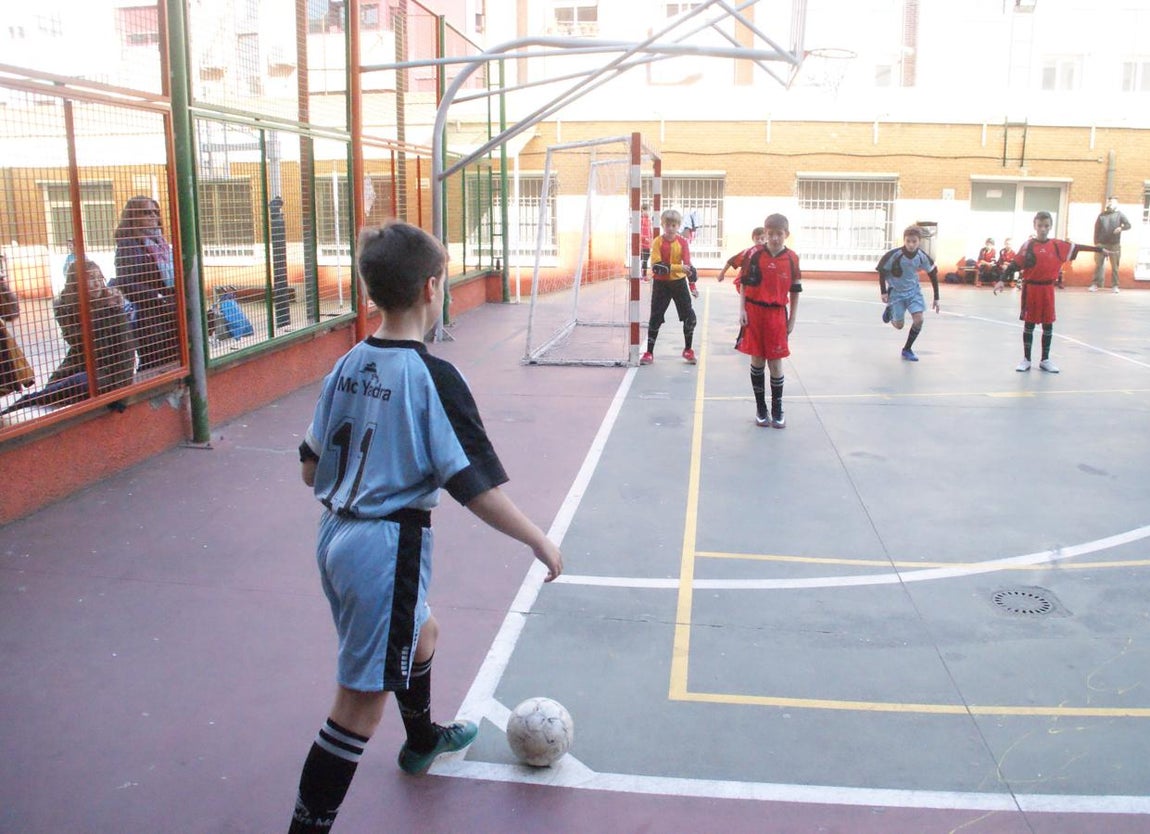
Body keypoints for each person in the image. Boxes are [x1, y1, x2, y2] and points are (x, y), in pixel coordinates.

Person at [288, 220, 563, 834]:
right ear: (432, 288)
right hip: (387, 545)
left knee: (424, 633)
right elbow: (474, 488)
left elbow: (310, 469)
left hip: (335, 537)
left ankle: (423, 742)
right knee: (356, 707)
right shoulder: (434, 377)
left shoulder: (347, 364)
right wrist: (537, 538)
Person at [2, 259, 135, 414]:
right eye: (91, 278)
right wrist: (98, 312)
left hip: (108, 370)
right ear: (77, 282)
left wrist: (120, 394)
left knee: (79, 383)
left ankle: (24, 402)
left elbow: (126, 351)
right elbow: (77, 340)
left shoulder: (112, 305)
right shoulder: (65, 306)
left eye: (99, 278)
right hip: (79, 363)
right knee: (53, 388)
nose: (97, 283)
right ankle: (19, 408)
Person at [994, 211, 1108, 373]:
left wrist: (1099, 249)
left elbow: (1078, 247)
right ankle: (1026, 359)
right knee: (1029, 324)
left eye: (1046, 226)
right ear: (1035, 226)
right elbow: (1014, 264)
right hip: (1031, 289)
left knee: (1048, 324)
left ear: (1050, 227)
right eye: (1040, 226)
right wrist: (1001, 280)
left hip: (1047, 289)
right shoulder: (1028, 246)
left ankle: (1045, 360)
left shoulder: (1057, 245)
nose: (1043, 229)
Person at [735, 214, 801, 428]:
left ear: (786, 235)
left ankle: (777, 407)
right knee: (757, 361)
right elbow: (743, 283)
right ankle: (761, 407)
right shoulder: (754, 255)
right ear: (765, 233)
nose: (774, 238)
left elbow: (795, 291)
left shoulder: (792, 258)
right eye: (770, 234)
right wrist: (742, 310)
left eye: (778, 234)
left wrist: (792, 318)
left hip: (776, 315)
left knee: (775, 362)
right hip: (754, 313)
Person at [113, 196, 180, 371]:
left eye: (155, 212)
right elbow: (126, 281)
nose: (153, 217)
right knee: (155, 362)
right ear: (134, 216)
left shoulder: (161, 243)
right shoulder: (128, 245)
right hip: (148, 316)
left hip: (170, 310)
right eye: (146, 212)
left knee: (176, 359)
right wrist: (157, 297)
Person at [641, 208, 699, 366]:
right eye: (668, 224)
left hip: (679, 284)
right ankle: (649, 352)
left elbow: (688, 265)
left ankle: (688, 350)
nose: (671, 228)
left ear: (678, 225)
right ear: (663, 225)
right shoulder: (658, 242)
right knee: (655, 318)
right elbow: (658, 267)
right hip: (661, 284)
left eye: (674, 225)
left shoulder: (683, 242)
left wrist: (692, 285)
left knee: (690, 317)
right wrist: (679, 268)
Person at [875, 225, 940, 362]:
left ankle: (907, 349)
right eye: (908, 241)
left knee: (919, 319)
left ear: (919, 241)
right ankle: (891, 310)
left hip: (913, 292)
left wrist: (937, 297)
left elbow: (933, 274)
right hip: (896, 293)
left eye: (914, 241)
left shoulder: (922, 256)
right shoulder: (894, 255)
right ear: (904, 240)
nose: (911, 244)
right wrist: (883, 292)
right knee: (899, 326)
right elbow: (882, 270)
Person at [1091, 196, 1131, 292]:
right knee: (1098, 265)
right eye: (1109, 202)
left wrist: (1121, 228)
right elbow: (1096, 230)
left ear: (1116, 204)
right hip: (1101, 244)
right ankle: (1095, 284)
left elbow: (1128, 225)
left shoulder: (1120, 215)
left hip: (1114, 244)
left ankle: (1115, 286)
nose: (1110, 204)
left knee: (1115, 267)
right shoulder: (1101, 215)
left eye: (1112, 202)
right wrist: (1096, 243)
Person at [639, 202, 654, 279]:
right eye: (647, 210)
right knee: (643, 259)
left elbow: (650, 231)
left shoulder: (648, 220)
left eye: (649, 210)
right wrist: (644, 238)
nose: (648, 212)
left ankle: (643, 274)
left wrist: (651, 239)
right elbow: (639, 231)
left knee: (645, 259)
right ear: (642, 210)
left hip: (647, 244)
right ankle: (642, 275)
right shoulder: (641, 219)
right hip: (642, 243)